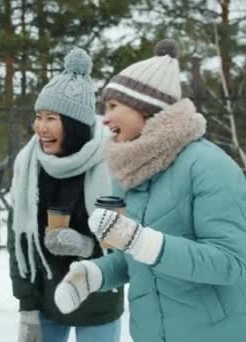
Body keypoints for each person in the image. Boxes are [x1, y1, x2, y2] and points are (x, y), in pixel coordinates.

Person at [54, 39, 246, 342]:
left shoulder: (209, 166)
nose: (106, 118)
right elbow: (140, 255)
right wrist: (93, 274)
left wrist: (139, 240)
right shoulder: (132, 171)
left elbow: (230, 264)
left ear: (146, 108)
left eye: (114, 106)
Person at [8, 48, 123, 342]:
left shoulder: (112, 162)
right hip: (45, 301)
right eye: (38, 117)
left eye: (51, 118)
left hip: (97, 301)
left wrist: (87, 247)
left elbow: (128, 238)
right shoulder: (30, 165)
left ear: (73, 125)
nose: (40, 128)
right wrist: (27, 308)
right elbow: (18, 242)